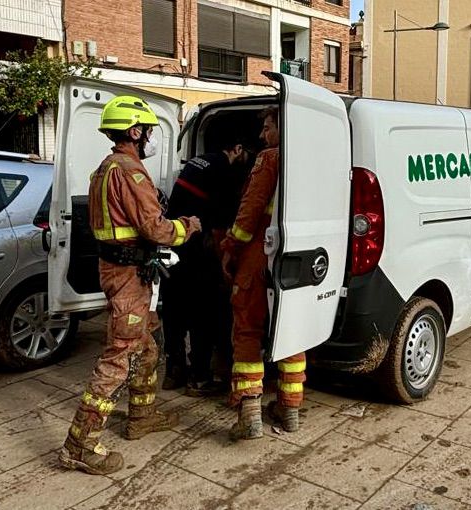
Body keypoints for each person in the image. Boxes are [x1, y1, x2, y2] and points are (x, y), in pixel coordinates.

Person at [59, 96, 201, 475]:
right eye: (150, 131)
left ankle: (142, 415)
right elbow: (157, 229)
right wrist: (188, 226)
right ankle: (80, 444)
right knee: (117, 358)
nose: (152, 138)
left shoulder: (104, 169)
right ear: (135, 132)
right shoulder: (131, 173)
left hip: (122, 272)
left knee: (149, 346)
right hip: (127, 280)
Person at [221, 107, 306, 440]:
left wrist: (230, 246)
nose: (262, 135)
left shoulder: (270, 158)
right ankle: (290, 409)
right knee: (294, 332)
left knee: (247, 331)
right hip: (301, 258)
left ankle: (250, 413)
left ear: (282, 127)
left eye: (268, 127)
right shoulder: (319, 160)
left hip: (261, 256)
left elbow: (250, 211)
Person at [161, 134, 251, 396]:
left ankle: (174, 371)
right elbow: (222, 223)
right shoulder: (225, 170)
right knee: (204, 312)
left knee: (175, 311)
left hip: (176, 243)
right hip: (200, 248)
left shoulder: (195, 162)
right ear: (237, 147)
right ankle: (199, 379)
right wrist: (227, 258)